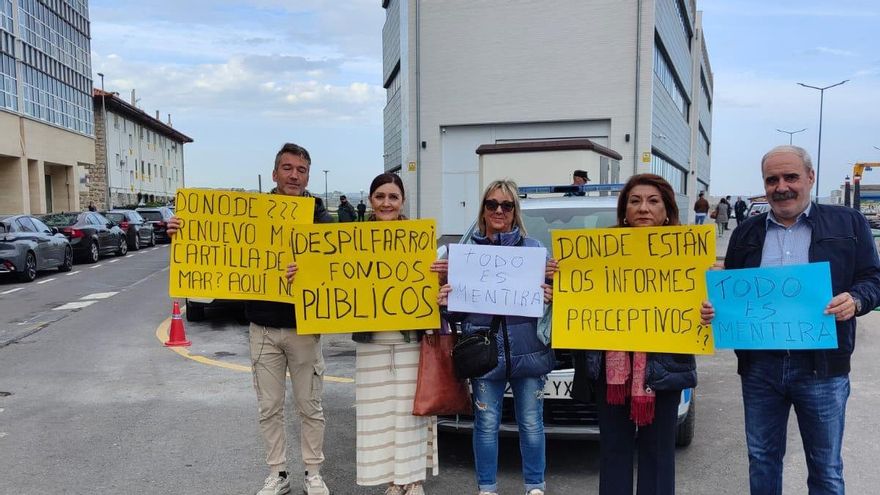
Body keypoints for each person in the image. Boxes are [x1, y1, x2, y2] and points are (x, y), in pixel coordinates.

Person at [700, 145, 880, 495]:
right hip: (759, 368)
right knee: (762, 459)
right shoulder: (746, 232)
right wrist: (714, 306)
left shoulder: (848, 223)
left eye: (791, 177)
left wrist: (856, 300)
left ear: (810, 178)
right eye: (772, 179)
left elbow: (874, 278)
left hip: (823, 368)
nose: (781, 186)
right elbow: (732, 295)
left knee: (826, 468)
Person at [168, 143, 334, 495]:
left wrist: (307, 268)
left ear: (308, 176)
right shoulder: (251, 213)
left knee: (310, 405)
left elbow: (335, 269)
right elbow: (214, 238)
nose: (294, 175)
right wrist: (183, 231)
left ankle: (313, 472)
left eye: (301, 169)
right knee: (269, 406)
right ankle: (278, 474)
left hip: (305, 329)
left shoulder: (320, 217)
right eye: (287, 168)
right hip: (261, 327)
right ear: (274, 174)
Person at [287, 173, 442, 495]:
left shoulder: (419, 242)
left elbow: (435, 293)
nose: (386, 202)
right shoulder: (352, 240)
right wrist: (302, 274)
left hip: (411, 342)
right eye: (380, 196)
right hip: (372, 344)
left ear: (402, 202)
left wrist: (441, 282)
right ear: (371, 200)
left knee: (411, 414)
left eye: (393, 197)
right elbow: (328, 277)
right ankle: (391, 481)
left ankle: (411, 480)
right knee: (379, 416)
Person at [438, 179, 557, 495]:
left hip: (529, 351)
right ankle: (487, 488)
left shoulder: (535, 252)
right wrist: (448, 302)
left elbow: (550, 308)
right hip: (484, 354)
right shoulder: (466, 254)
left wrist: (552, 294)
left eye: (506, 205)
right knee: (486, 426)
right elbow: (456, 315)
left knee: (532, 425)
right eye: (492, 204)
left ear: (515, 210)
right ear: (483, 209)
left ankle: (535, 486)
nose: (499, 210)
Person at [582, 173, 697, 495]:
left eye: (652, 201)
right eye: (635, 201)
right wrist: (558, 279)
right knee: (613, 450)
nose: (643, 208)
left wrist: (708, 298)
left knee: (659, 453)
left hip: (665, 368)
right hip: (612, 372)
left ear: (666, 211)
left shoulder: (686, 254)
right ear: (624, 211)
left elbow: (699, 314)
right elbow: (580, 302)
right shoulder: (597, 252)